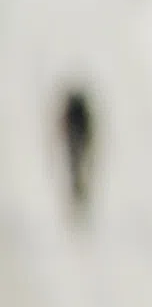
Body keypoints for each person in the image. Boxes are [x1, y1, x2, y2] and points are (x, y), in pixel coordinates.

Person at [58, 86, 96, 219]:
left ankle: (78, 193)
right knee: (78, 164)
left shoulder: (73, 109)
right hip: (78, 139)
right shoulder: (81, 109)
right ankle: (79, 193)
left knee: (76, 164)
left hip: (76, 139)